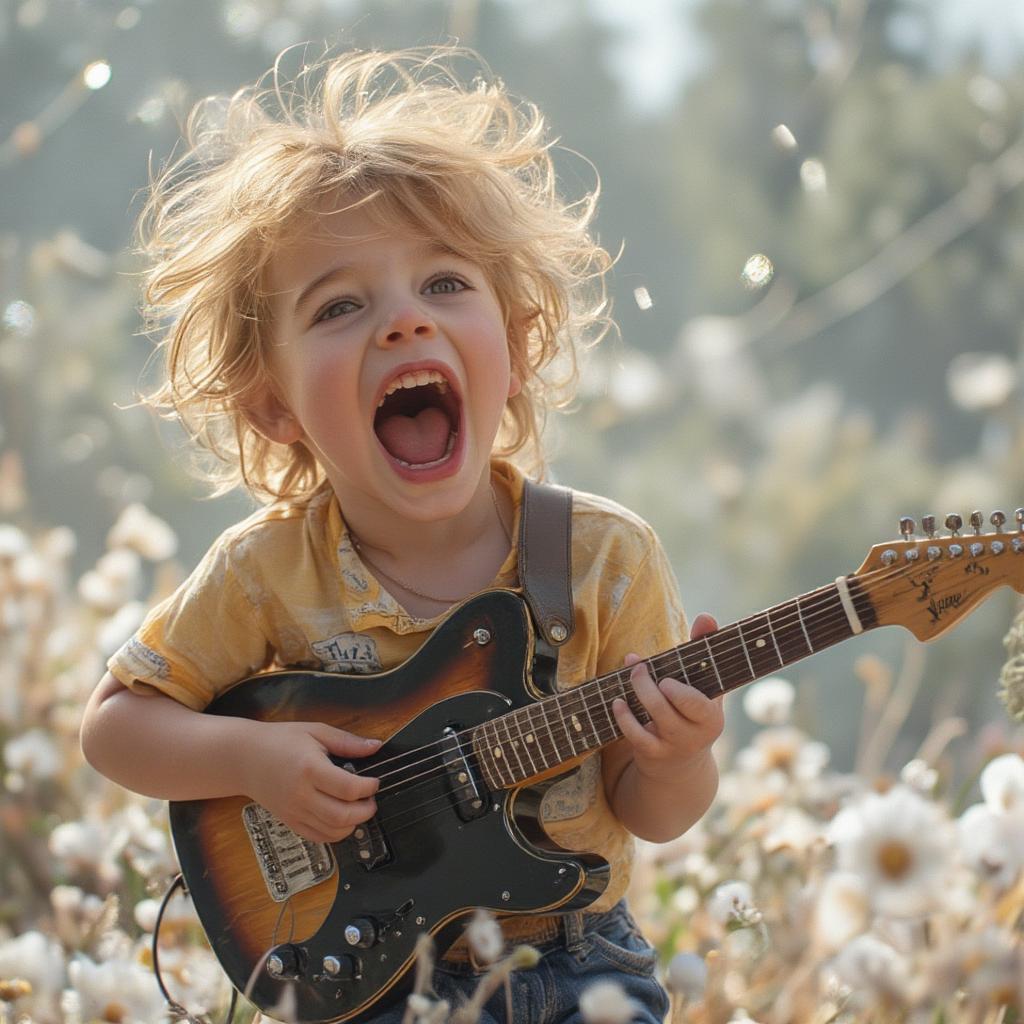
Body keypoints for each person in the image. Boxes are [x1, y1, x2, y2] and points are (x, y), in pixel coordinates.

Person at [79, 46, 723, 1023]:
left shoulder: (602, 560)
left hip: (576, 964)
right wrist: (254, 764)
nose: (401, 324)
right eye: (340, 305)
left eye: (445, 285)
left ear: (513, 345)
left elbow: (651, 811)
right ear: (273, 408)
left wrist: (676, 756)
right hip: (363, 980)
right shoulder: (263, 575)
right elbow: (115, 727)